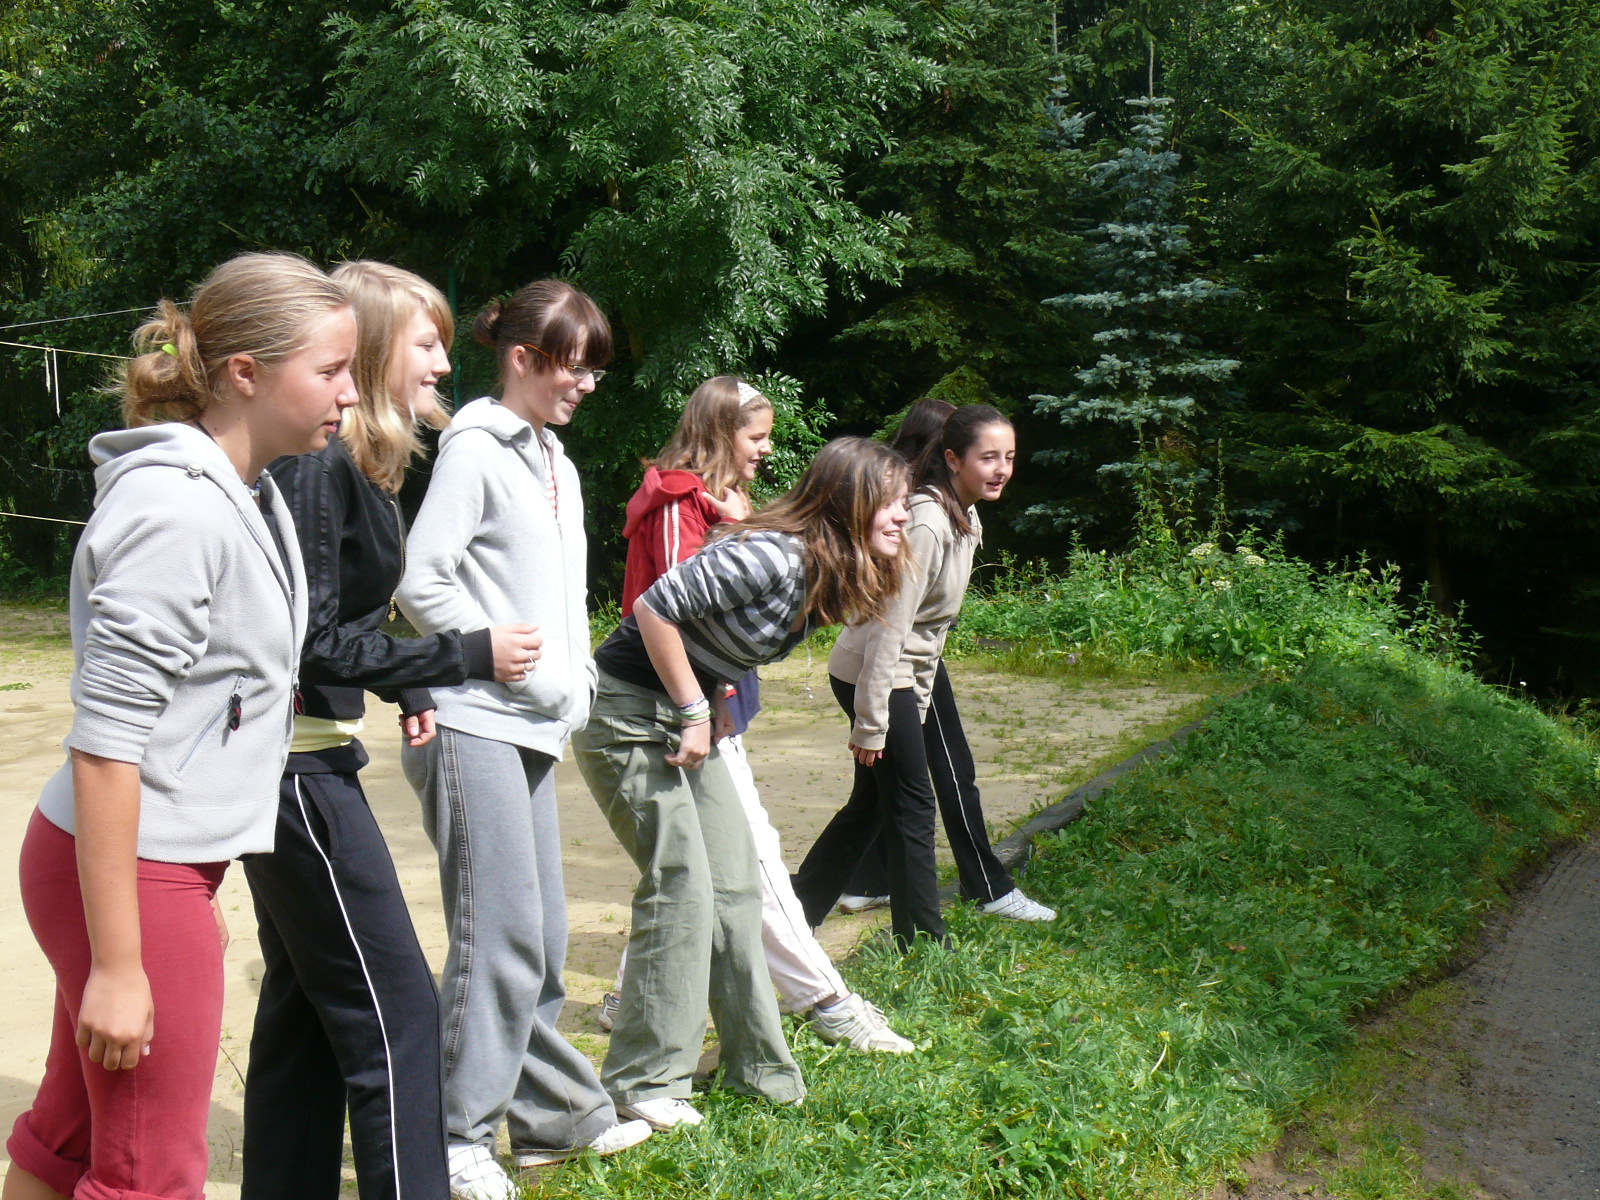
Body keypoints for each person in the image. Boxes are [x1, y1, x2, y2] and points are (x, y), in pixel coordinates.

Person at [3, 252, 356, 1200]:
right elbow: (105, 744)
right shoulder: (178, 511)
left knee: (70, 1137)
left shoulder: (247, 491)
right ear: (245, 373)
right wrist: (121, 964)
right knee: (149, 1175)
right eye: (331, 370)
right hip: (130, 869)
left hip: (140, 863)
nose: (351, 393)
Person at [239, 261, 546, 1200]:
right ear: (371, 352)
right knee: (398, 1017)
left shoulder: (353, 466)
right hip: (294, 774)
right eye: (427, 344)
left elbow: (333, 622)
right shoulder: (316, 466)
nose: (445, 365)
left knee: (304, 1016)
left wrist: (405, 680)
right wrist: (460, 656)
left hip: (302, 763)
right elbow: (310, 643)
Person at [576, 436, 912, 1132]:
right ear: (848, 502)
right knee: (682, 886)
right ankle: (643, 1079)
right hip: (625, 715)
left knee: (736, 888)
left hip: (681, 712)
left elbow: (715, 636)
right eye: (892, 502)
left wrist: (717, 693)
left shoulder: (822, 570)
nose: (904, 516)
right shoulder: (775, 555)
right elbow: (654, 610)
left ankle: (758, 1068)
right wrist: (695, 708)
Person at [397, 279, 651, 1200]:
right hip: (472, 718)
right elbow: (421, 581)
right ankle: (452, 1138)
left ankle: (555, 1120)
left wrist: (568, 684)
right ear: (522, 359)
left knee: (541, 937)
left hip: (533, 722)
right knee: (497, 934)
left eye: (593, 370)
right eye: (573, 367)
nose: (586, 384)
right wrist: (494, 654)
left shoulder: (554, 459)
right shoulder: (475, 447)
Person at [794, 405, 1056, 946]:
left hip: (905, 671)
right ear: (953, 459)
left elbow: (925, 636)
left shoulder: (964, 516)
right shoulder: (929, 521)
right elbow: (888, 628)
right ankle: (922, 943)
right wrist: (873, 722)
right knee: (912, 802)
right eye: (988, 457)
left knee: (873, 804)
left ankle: (795, 914)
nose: (1002, 469)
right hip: (877, 672)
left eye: (1009, 457)